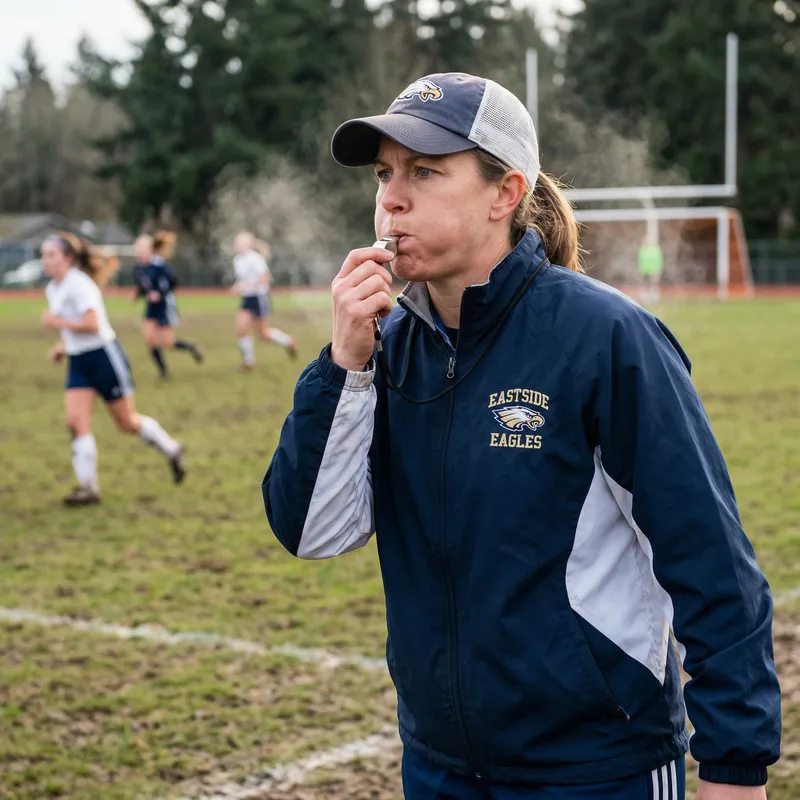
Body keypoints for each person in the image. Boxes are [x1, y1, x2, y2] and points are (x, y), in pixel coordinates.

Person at [262, 73, 781, 800]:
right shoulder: (387, 345)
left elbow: (710, 561)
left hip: (596, 770)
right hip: (439, 767)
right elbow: (314, 530)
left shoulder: (607, 337)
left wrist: (735, 766)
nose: (392, 197)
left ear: (504, 194)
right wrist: (343, 363)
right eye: (385, 173)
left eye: (425, 171)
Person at [42, 232, 187, 506]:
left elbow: (92, 324)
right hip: (78, 362)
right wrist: (62, 346)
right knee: (76, 422)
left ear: (68, 258)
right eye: (43, 254)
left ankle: (171, 449)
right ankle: (88, 488)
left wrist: (56, 321)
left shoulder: (79, 285)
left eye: (50, 254)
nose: (44, 260)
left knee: (127, 422)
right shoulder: (53, 288)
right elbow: (73, 325)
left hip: (104, 358)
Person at [133, 231, 203, 378]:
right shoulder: (138, 268)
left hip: (165, 305)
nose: (139, 251)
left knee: (168, 343)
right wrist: (138, 294)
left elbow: (173, 283)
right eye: (137, 248)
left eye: (142, 248)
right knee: (150, 339)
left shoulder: (159, 265)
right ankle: (163, 371)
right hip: (151, 307)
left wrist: (159, 294)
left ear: (150, 249)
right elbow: (143, 286)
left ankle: (191, 347)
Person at [230, 231, 297, 368]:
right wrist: (238, 286)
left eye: (241, 243)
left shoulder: (255, 258)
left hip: (260, 297)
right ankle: (248, 362)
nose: (238, 245)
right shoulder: (237, 260)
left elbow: (266, 277)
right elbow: (244, 280)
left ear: (248, 245)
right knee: (241, 328)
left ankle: (288, 342)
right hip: (247, 298)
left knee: (263, 334)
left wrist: (246, 285)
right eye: (236, 243)